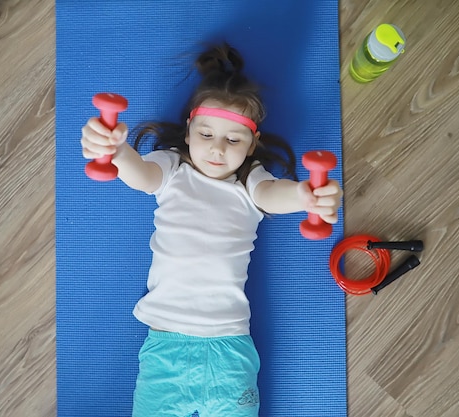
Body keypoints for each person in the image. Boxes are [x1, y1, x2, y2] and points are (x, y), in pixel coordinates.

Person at [81, 43, 343, 416]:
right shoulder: (171, 170)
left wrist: (305, 196)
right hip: (165, 348)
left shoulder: (250, 184)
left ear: (252, 144)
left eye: (233, 139)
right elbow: (140, 176)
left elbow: (274, 197)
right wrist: (114, 148)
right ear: (188, 132)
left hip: (229, 348)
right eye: (207, 135)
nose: (218, 149)